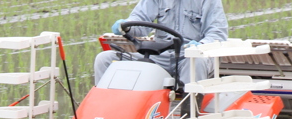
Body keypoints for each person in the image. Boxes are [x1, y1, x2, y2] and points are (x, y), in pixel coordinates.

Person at [95, 0, 229, 87]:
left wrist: (201, 46)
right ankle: (103, 113)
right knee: (105, 59)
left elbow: (217, 33)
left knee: (196, 61)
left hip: (188, 57)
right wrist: (126, 26)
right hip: (159, 56)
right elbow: (140, 22)